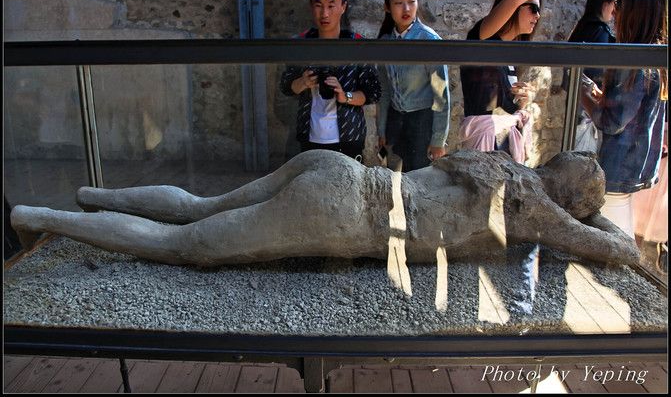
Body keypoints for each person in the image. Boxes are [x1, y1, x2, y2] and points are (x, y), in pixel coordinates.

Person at [10, 149, 640, 267]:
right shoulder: (540, 211)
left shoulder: (501, 165)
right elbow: (613, 247)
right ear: (573, 198)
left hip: (339, 170)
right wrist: (597, 220)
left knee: (200, 207)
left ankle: (90, 195)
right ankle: (40, 220)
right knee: (186, 247)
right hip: (347, 214)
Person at [580, 0, 667, 239]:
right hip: (633, 166)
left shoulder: (633, 61)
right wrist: (602, 97)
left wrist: (584, 96)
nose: (615, 11)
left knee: (613, 244)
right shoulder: (655, 55)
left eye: (620, 4)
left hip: (617, 167)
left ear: (634, 11)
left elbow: (612, 122)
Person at [459, 0, 567, 164]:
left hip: (502, 143)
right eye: (533, 8)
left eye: (539, 10)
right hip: (486, 145)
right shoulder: (484, 38)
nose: (538, 16)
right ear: (513, 9)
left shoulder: (508, 53)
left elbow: (497, 106)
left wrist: (520, 102)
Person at [280, 0, 381, 161]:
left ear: (343, 7)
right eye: (318, 6)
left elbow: (372, 93)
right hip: (309, 136)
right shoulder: (301, 44)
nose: (324, 14)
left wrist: (345, 96)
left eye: (331, 6)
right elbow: (286, 87)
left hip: (349, 136)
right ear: (311, 7)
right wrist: (303, 82)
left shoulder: (357, 45)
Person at [376, 0, 450, 171]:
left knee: (420, 186)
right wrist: (382, 131)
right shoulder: (384, 43)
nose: (406, 8)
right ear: (387, 7)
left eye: (411, 1)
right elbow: (384, 92)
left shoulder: (429, 41)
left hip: (422, 123)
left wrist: (438, 140)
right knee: (394, 184)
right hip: (395, 123)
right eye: (399, 3)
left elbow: (441, 97)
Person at [564, 0, 617, 152]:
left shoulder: (581, 28)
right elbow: (597, 70)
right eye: (614, 5)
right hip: (588, 103)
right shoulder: (599, 31)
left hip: (575, 99)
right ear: (605, 5)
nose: (614, 11)